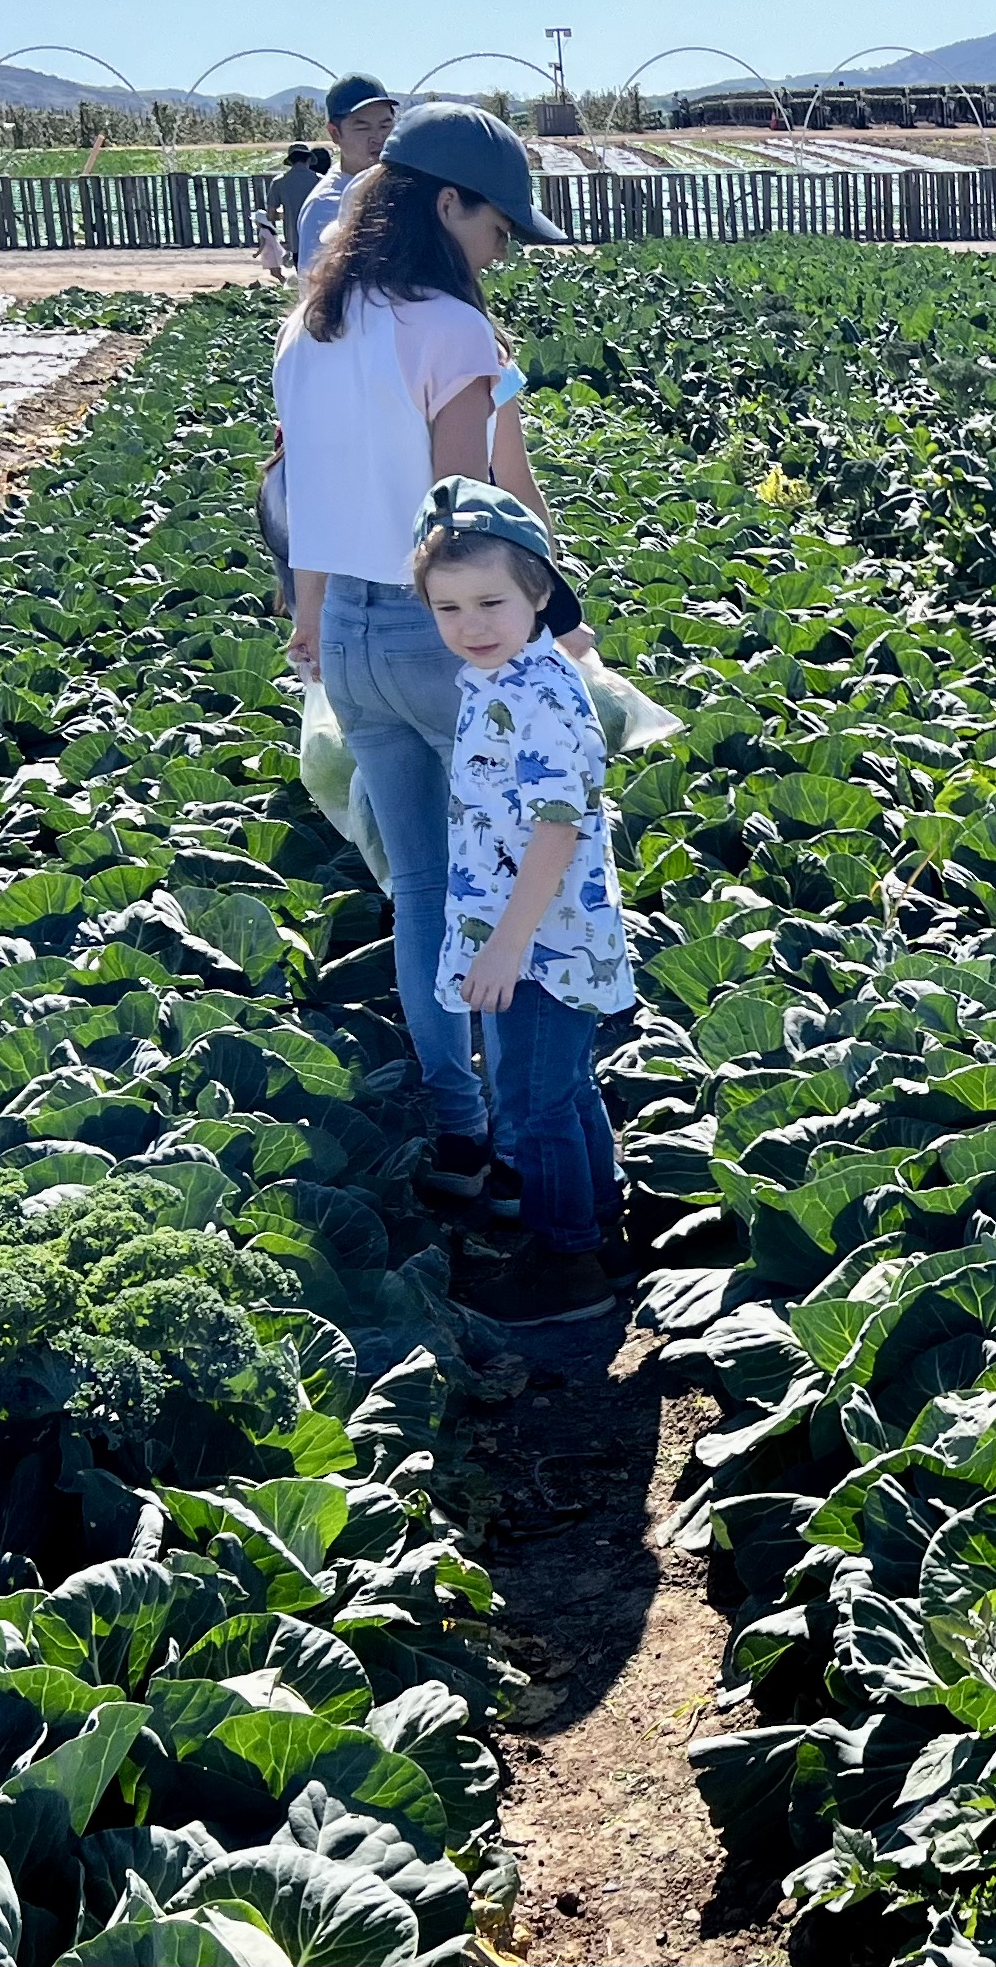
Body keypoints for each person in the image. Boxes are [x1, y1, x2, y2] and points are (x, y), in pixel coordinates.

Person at [275, 100, 577, 1220]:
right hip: (440, 633)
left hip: (352, 639)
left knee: (420, 890)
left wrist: (312, 622)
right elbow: (466, 513)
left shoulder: (311, 325)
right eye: (496, 226)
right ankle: (529, 1140)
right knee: (517, 880)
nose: (500, 250)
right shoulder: (448, 327)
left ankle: (460, 1122)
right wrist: (550, 626)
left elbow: (302, 494)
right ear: (446, 205)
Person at [409, 476, 633, 1325]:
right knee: (564, 1088)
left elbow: (556, 828)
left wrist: (506, 944)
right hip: (539, 926)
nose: (470, 624)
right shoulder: (502, 676)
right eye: (448, 607)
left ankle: (565, 1262)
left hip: (542, 937)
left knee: (534, 1103)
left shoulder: (535, 693)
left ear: (539, 592)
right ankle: (599, 1226)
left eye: (490, 601)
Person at [297, 75, 398, 277]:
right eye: (363, 127)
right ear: (335, 133)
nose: (378, 138)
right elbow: (313, 287)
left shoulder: (396, 183)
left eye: (385, 126)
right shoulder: (325, 205)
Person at [261, 144, 327, 281]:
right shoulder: (321, 181)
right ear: (309, 159)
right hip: (319, 239)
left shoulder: (279, 182)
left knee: (303, 279)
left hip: (295, 239)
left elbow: (270, 215)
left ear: (290, 161)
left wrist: (286, 215)